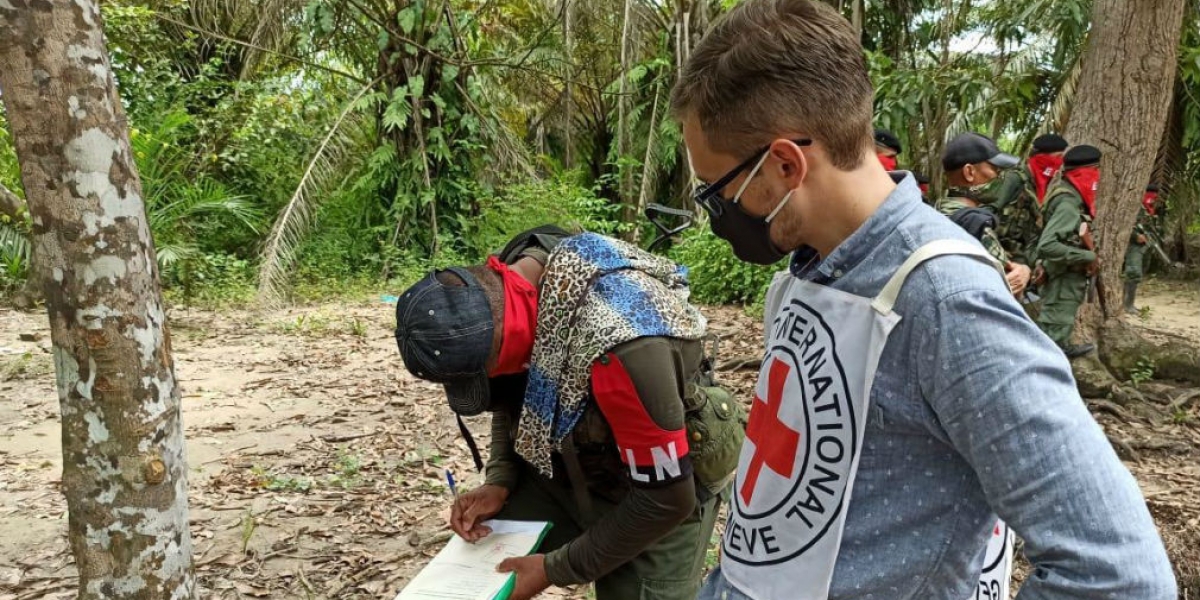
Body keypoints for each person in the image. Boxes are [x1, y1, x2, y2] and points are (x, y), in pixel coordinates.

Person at [670, 1, 1175, 599]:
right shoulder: (814, 270)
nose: (717, 212)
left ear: (784, 163)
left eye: (718, 189)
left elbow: (1117, 576)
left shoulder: (944, 300)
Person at [393, 227, 741, 600]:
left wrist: (553, 569)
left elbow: (666, 498)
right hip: (565, 465)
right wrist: (501, 478)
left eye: (486, 373)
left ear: (505, 332)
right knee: (478, 577)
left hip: (656, 492)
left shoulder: (625, 347)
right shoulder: (508, 286)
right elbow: (512, 401)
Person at [937, 132, 1032, 296]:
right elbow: (1009, 286)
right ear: (969, 172)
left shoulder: (936, 211)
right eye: (995, 169)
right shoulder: (976, 226)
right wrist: (1024, 270)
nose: (1000, 176)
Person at [1037, 145, 1103, 358]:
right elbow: (1047, 245)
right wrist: (1088, 256)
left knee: (1057, 331)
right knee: (1050, 344)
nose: (1097, 178)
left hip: (1064, 279)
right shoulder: (1068, 203)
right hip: (1062, 279)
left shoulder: (1066, 194)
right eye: (1095, 171)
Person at [987, 133, 1069, 269]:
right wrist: (995, 251)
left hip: (1021, 261)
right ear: (1042, 158)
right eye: (1057, 158)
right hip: (999, 258)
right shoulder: (1014, 179)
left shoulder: (1038, 188)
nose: (1059, 164)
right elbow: (985, 214)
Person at [1122, 184, 1160, 314]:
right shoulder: (1136, 208)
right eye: (1151, 195)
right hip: (1134, 246)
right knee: (1134, 273)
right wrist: (1135, 236)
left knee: (1139, 273)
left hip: (1145, 246)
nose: (1153, 199)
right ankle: (1127, 305)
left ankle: (1126, 303)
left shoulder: (1150, 210)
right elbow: (1125, 224)